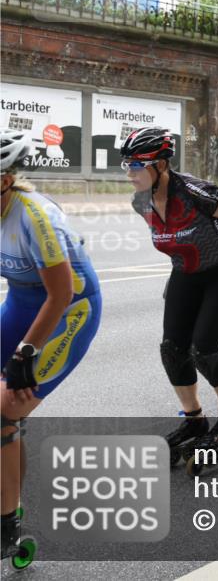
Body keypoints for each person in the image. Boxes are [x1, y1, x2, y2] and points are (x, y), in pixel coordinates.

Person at [120, 127, 218, 467]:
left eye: (138, 164)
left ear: (162, 165)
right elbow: (171, 238)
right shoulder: (141, 202)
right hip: (187, 269)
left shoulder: (196, 192)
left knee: (204, 349)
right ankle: (194, 419)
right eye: (126, 164)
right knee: (172, 349)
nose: (130, 172)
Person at [1, 130, 102, 565]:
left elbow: (59, 296)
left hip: (67, 311)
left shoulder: (35, 217)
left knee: (5, 409)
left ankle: (7, 527)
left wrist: (25, 355)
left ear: (4, 178)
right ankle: (9, 492)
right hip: (22, 302)